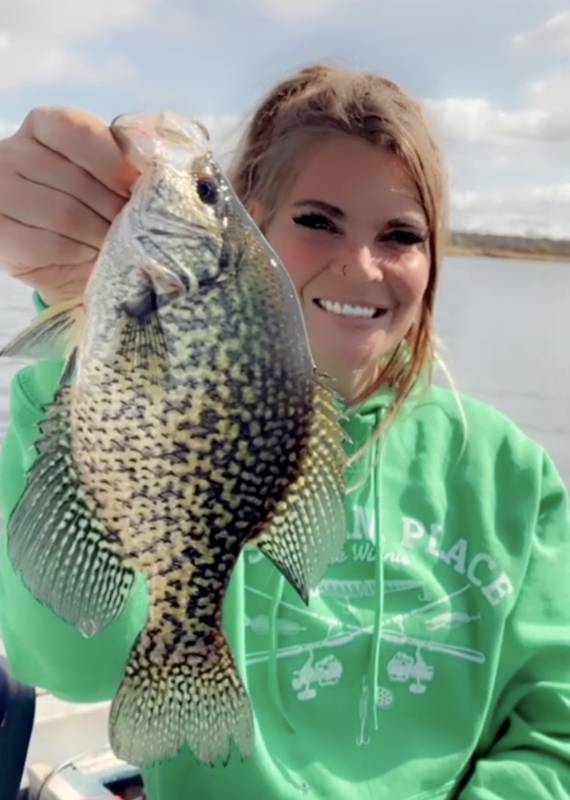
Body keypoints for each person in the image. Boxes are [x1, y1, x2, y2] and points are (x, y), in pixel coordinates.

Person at [0, 63, 568, 800]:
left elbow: (555, 728)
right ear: (256, 230)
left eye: (401, 235)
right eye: (317, 221)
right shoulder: (156, 383)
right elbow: (69, 668)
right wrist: (74, 310)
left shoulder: (510, 473)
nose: (360, 266)